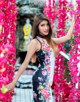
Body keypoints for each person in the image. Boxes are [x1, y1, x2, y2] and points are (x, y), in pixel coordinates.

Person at [6, 13, 75, 102]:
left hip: (48, 80)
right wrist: (14, 82)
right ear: (37, 27)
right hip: (41, 80)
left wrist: (73, 22)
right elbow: (25, 62)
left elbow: (67, 37)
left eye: (47, 25)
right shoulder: (35, 42)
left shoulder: (50, 41)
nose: (46, 28)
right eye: (42, 25)